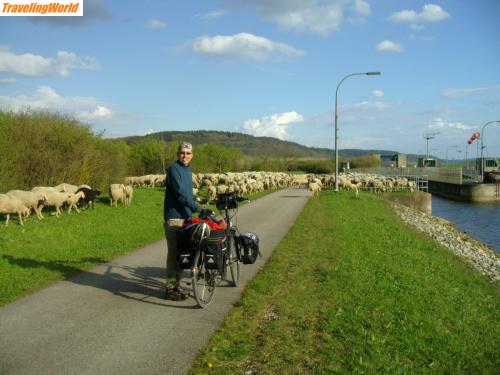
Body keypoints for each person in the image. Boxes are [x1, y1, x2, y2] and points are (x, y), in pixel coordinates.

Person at [164, 142, 203, 300]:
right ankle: (170, 289)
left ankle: (176, 286)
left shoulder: (187, 170)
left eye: (188, 153)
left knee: (182, 255)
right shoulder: (173, 170)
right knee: (174, 256)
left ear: (192, 155)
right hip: (174, 219)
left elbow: (187, 193)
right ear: (177, 153)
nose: (184, 155)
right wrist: (197, 208)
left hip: (186, 219)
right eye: (182, 152)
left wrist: (200, 200)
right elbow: (180, 194)